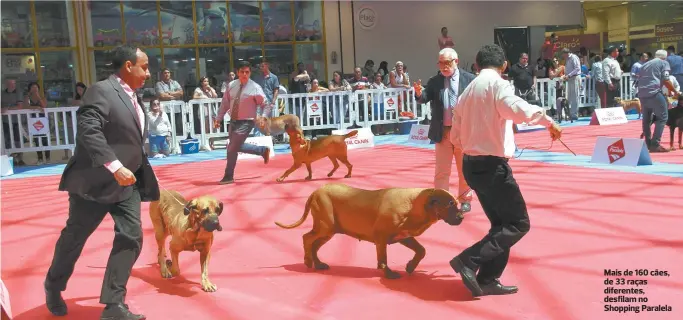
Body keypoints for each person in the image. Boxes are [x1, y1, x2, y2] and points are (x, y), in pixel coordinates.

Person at [45, 45, 160, 320]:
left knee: (131, 237)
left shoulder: (133, 95)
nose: (148, 72)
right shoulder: (101, 90)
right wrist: (115, 165)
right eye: (144, 66)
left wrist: (129, 169)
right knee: (75, 239)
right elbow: (89, 130)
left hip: (127, 182)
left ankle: (113, 304)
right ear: (128, 66)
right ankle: (53, 285)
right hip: (94, 182)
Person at [450, 44, 562, 297]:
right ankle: (469, 260)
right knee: (518, 223)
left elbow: (455, 137)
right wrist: (549, 121)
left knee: (501, 225)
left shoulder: (465, 93)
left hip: (471, 164)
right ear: (504, 66)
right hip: (492, 166)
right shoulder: (499, 86)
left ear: (476, 65)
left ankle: (489, 279)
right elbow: (519, 110)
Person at [413, 48, 476, 211]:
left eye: (447, 62)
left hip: (463, 132)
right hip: (443, 132)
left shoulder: (470, 80)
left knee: (465, 170)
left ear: (456, 61)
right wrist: (419, 94)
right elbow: (424, 98)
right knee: (442, 170)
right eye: (440, 63)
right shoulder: (435, 81)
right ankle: (442, 201)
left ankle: (465, 199)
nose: (443, 66)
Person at [214, 60, 271, 185]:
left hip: (247, 122)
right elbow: (225, 104)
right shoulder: (231, 85)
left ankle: (228, 176)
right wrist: (218, 119)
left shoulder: (255, 88)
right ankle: (262, 150)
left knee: (231, 148)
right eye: (242, 72)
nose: (245, 74)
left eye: (247, 72)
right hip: (233, 121)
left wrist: (263, 117)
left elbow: (266, 104)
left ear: (250, 73)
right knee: (235, 147)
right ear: (237, 72)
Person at [637, 49, 681, 153]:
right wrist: (675, 91)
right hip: (654, 92)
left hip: (642, 93)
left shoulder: (645, 64)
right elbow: (666, 79)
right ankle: (655, 143)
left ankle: (647, 143)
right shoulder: (663, 63)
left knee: (646, 119)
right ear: (664, 57)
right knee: (663, 117)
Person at [560, 47, 582, 120]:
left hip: (575, 78)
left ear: (566, 53)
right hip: (570, 78)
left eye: (563, 54)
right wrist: (565, 76)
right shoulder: (567, 59)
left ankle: (574, 114)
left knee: (575, 96)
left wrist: (569, 75)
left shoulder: (573, 57)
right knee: (569, 97)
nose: (563, 56)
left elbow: (577, 68)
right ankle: (569, 113)